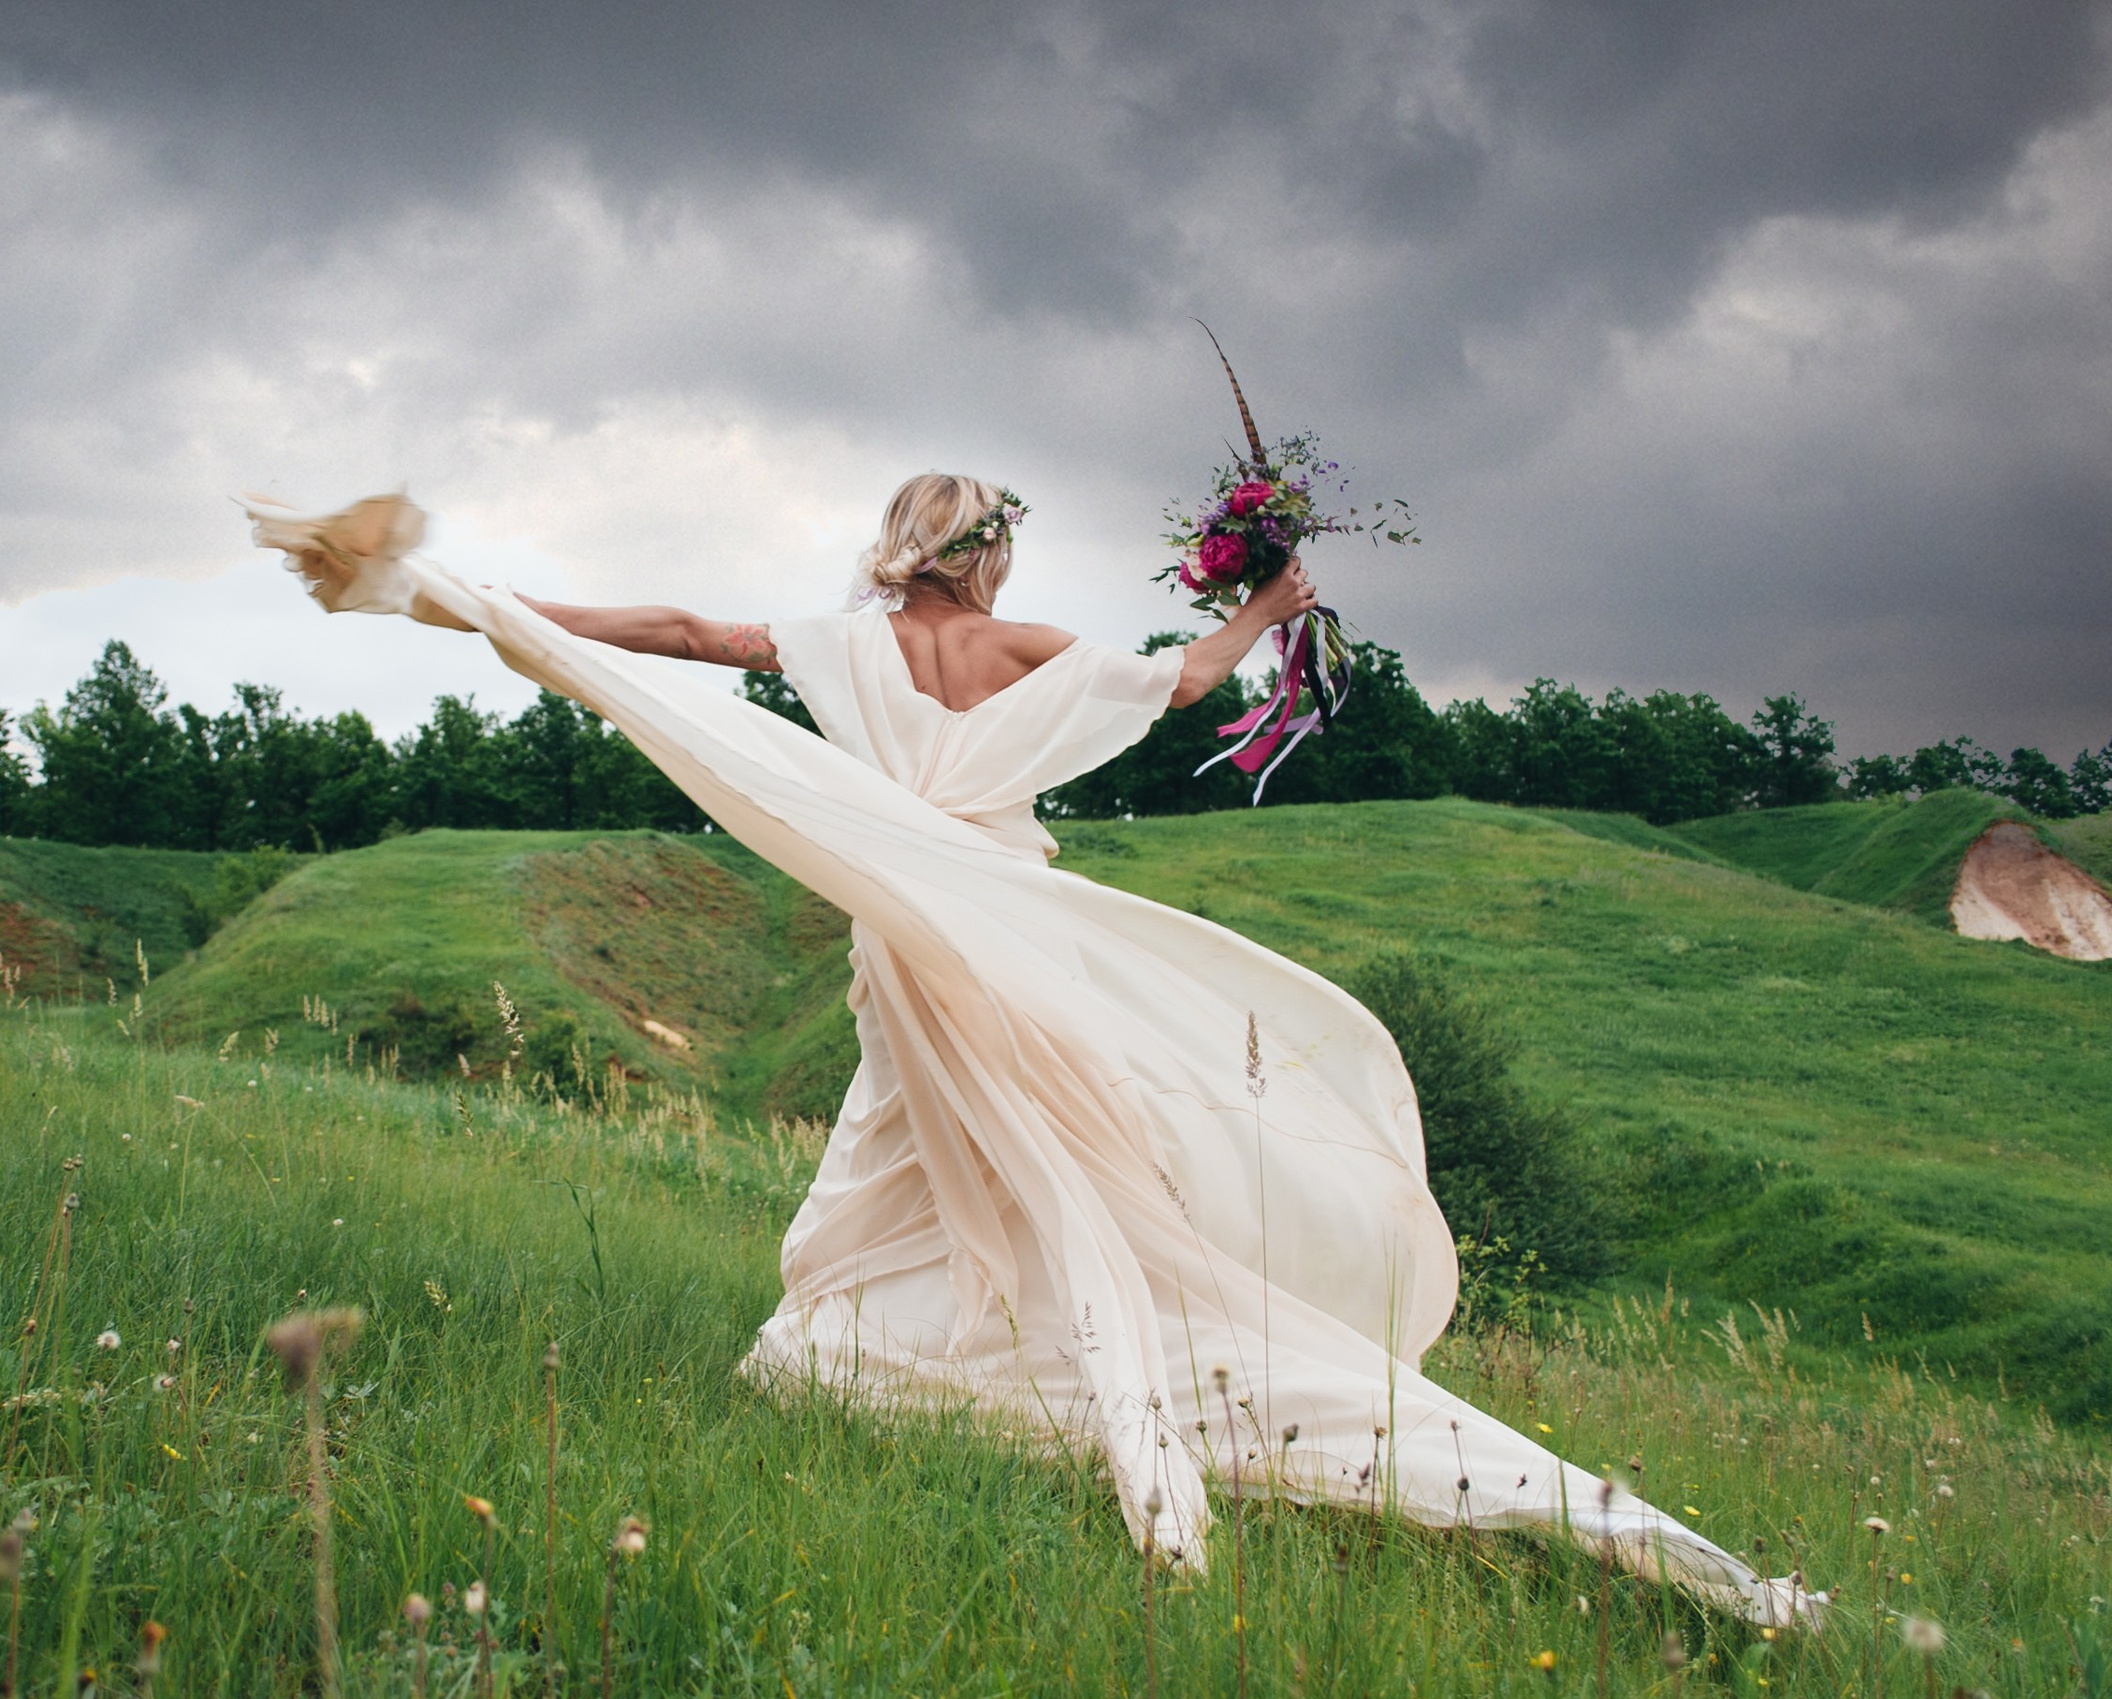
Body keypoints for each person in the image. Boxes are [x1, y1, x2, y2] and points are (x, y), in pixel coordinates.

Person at [244, 473, 1820, 1626]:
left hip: (900, 934)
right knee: (1051, 1148)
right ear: (979, 555)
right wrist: (1267, 608)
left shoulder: (834, 645)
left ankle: (895, 1353)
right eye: (1005, 553)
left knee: (926, 1147)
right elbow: (1188, 681)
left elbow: (668, 628)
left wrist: (503, 608)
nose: (1005, 578)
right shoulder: (1019, 653)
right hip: (990, 925)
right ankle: (1025, 1357)